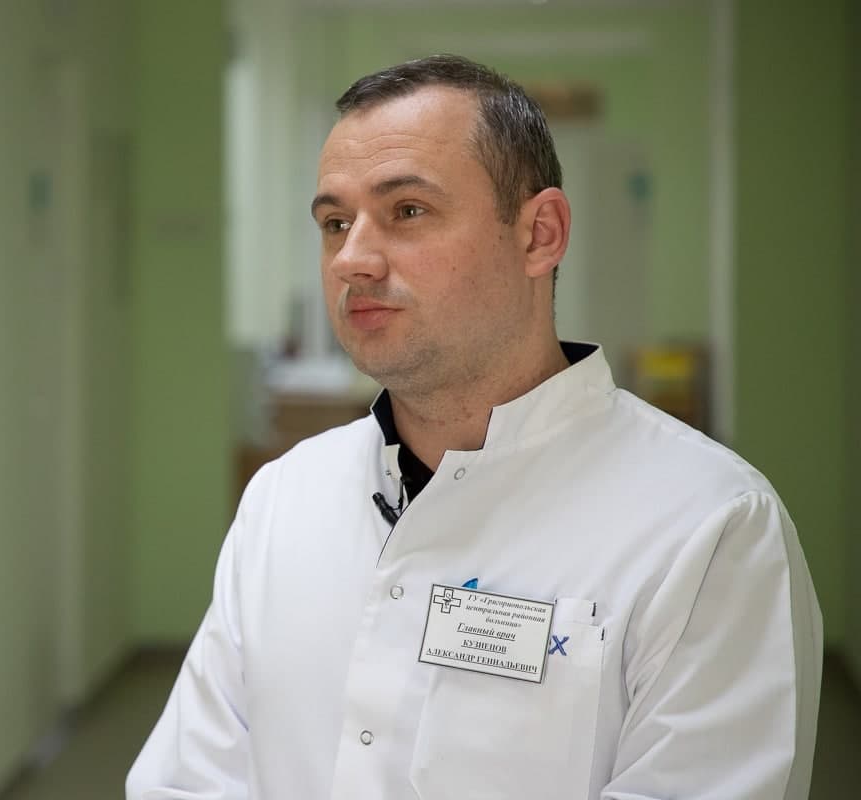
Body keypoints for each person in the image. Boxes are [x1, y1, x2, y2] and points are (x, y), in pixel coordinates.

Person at [126, 54, 822, 799]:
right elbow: (186, 781)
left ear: (539, 234)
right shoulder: (285, 496)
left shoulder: (709, 527)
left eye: (408, 211)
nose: (352, 259)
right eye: (335, 222)